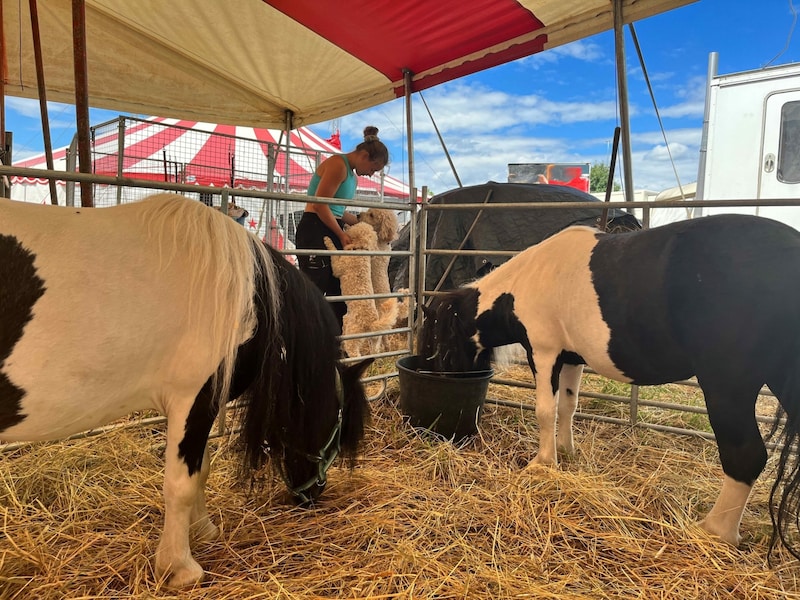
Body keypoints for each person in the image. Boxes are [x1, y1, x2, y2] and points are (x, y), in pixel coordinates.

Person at [295, 126, 389, 332]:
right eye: (373, 169)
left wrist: (365, 225)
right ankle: (303, 335)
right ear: (364, 155)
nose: (371, 174)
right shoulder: (338, 165)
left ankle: (334, 339)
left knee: (337, 287)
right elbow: (320, 205)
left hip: (331, 225)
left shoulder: (352, 177)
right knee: (314, 287)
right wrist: (341, 234)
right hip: (315, 227)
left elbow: (337, 210)